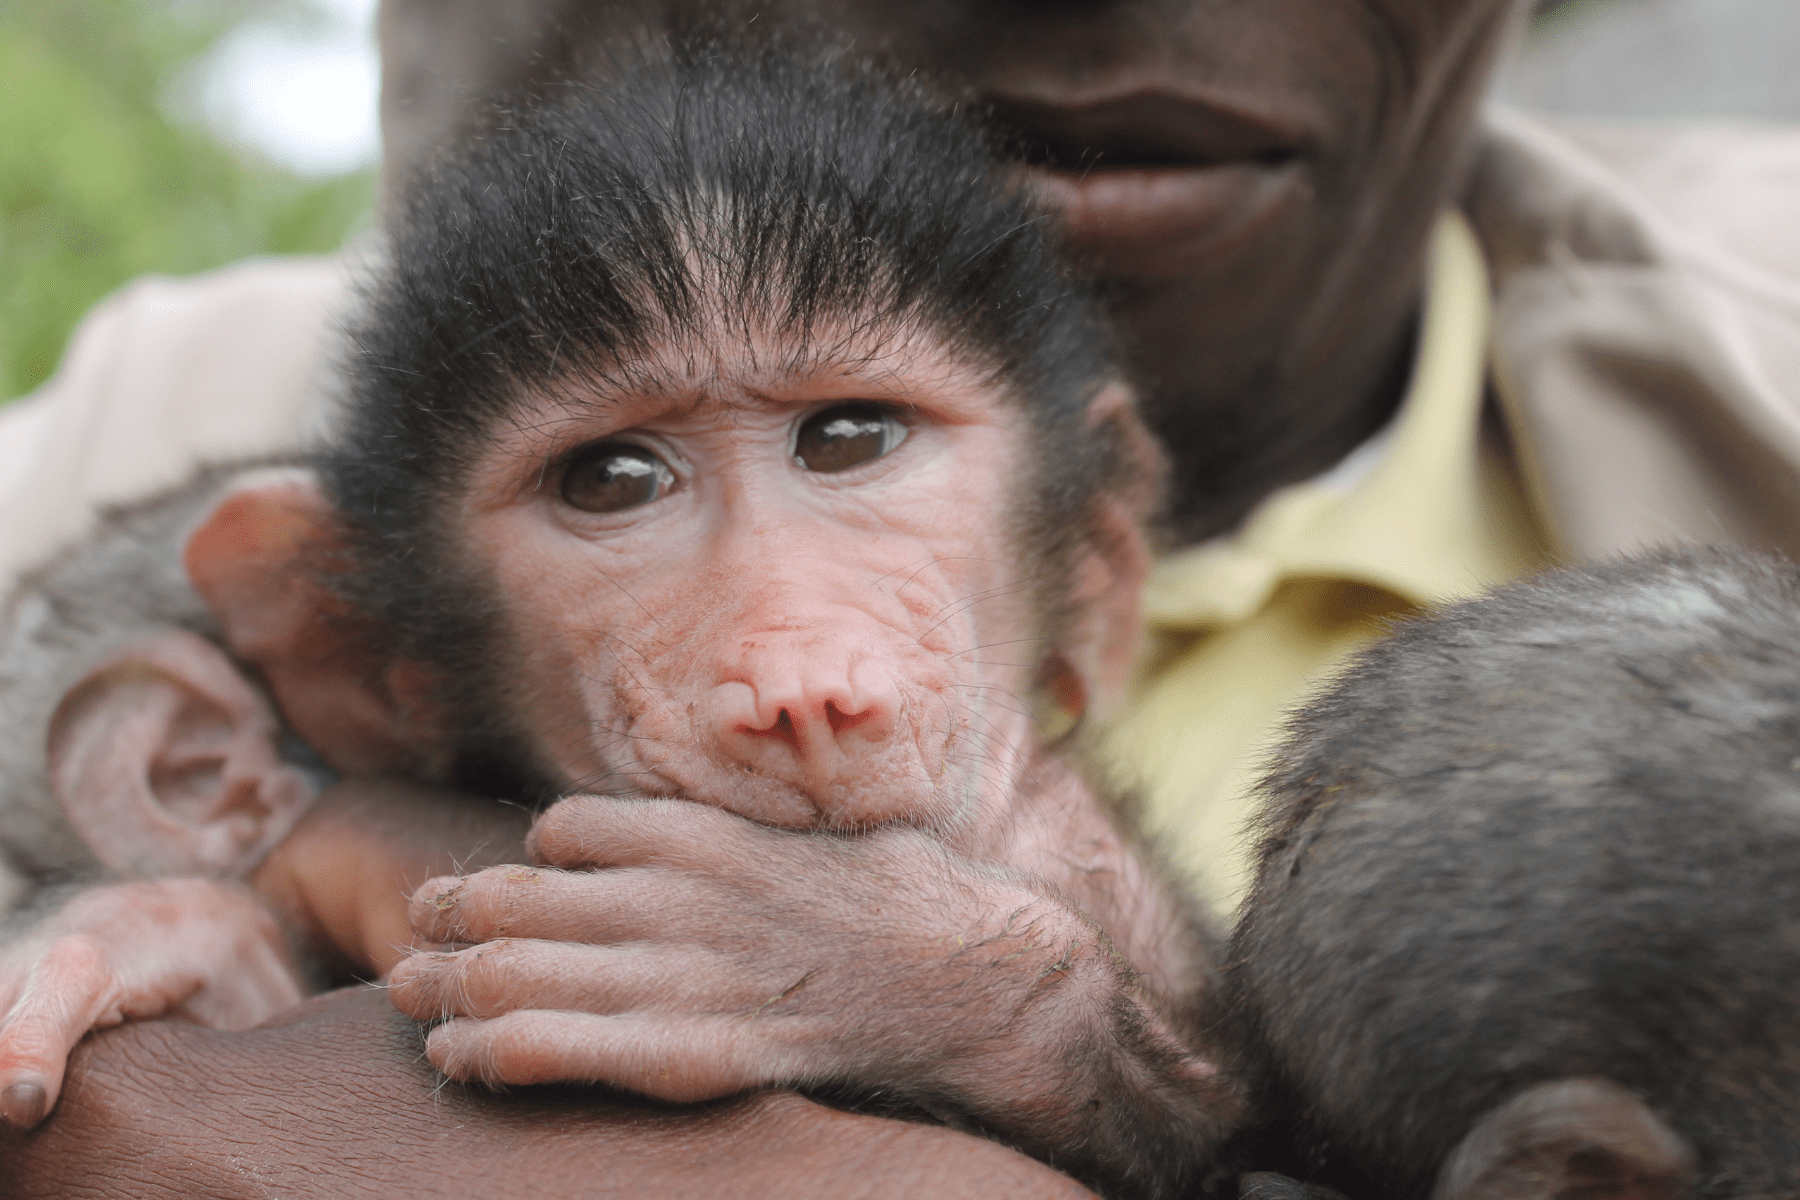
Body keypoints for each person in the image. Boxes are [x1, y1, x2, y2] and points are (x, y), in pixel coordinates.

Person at [2, 0, 1797, 1190]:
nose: (795, 666)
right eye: (613, 479)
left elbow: (1188, 1082)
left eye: (854, 440)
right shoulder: (138, 446)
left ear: (1087, 575)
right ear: (358, 655)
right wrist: (193, 922)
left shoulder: (1055, 904)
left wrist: (1019, 1015)